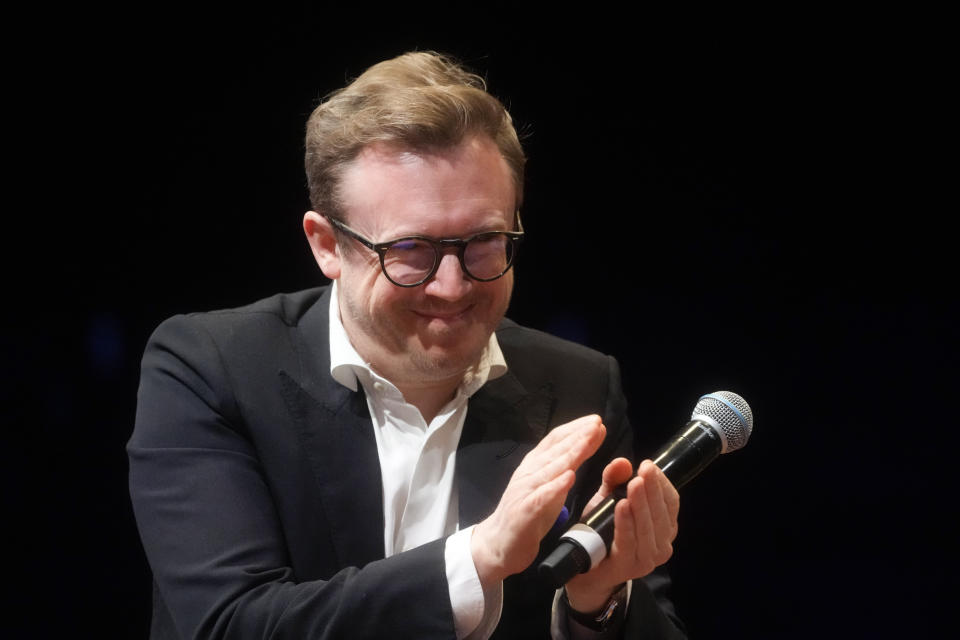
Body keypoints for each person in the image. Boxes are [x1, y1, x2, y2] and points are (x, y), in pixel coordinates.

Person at [128, 51, 686, 639]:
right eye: (411, 250)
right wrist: (479, 557)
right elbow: (228, 625)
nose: (453, 286)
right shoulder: (211, 367)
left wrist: (596, 600)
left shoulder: (580, 385)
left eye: (484, 242)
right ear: (325, 245)